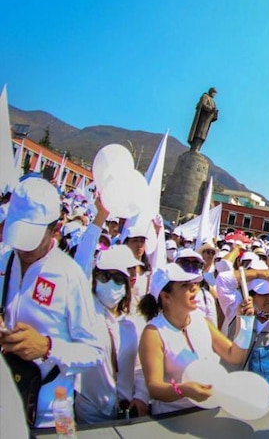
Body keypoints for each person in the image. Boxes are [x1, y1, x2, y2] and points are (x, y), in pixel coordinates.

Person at [0, 178, 106, 427]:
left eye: (32, 237)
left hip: (55, 410)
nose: (23, 248)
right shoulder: (4, 258)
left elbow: (96, 352)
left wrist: (47, 347)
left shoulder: (70, 276)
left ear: (55, 229)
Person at [138, 263, 254, 416]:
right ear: (166, 297)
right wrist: (183, 390)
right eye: (185, 285)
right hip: (173, 418)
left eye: (194, 283)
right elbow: (154, 388)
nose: (194, 288)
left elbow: (235, 356)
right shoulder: (153, 333)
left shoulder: (201, 320)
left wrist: (245, 322)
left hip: (211, 412)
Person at [75, 245, 146, 423]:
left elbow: (139, 365)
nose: (110, 283)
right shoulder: (84, 312)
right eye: (104, 276)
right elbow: (80, 262)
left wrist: (141, 396)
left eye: (117, 278)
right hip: (90, 411)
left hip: (126, 411)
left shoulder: (135, 320)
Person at [188, 87, 219, 153]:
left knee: (203, 136)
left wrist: (215, 113)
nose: (214, 95)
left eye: (215, 94)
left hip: (207, 121)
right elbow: (202, 105)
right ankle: (194, 148)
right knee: (199, 134)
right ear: (211, 91)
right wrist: (210, 109)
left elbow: (213, 111)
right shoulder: (205, 97)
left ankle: (198, 148)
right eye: (214, 92)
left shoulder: (213, 102)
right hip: (202, 120)